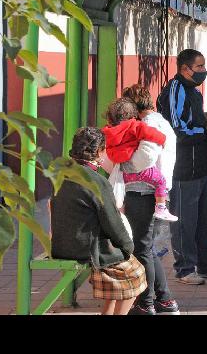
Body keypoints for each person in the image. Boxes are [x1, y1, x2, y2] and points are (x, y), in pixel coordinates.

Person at [157, 48, 207, 285]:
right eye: (199, 67)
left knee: (204, 220)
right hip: (183, 169)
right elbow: (177, 130)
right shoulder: (176, 90)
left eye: (203, 66)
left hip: (201, 166)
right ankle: (185, 268)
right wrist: (205, 131)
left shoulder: (193, 91)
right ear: (184, 69)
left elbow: (193, 122)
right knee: (184, 222)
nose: (204, 71)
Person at [50, 127, 147, 315]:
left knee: (118, 273)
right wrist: (127, 246)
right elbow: (112, 222)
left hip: (61, 244)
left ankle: (107, 313)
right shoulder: (96, 181)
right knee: (136, 274)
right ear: (100, 151)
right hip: (86, 247)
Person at [120, 84, 180, 315]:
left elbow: (146, 156)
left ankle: (147, 303)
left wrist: (124, 164)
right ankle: (164, 300)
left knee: (142, 249)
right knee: (146, 248)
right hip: (153, 193)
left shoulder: (148, 124)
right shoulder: (159, 121)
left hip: (143, 191)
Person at [102, 98, 177, 222]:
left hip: (123, 172)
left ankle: (119, 214)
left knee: (117, 192)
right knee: (161, 181)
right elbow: (151, 134)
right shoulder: (134, 125)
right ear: (133, 115)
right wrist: (163, 140)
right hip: (141, 172)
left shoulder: (107, 132)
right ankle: (161, 208)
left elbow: (107, 152)